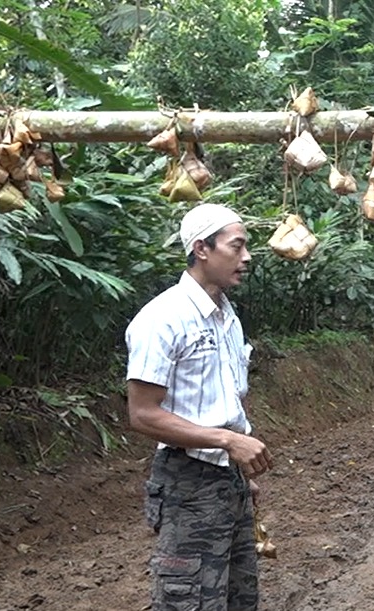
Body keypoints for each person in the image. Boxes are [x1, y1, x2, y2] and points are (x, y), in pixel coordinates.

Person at [126, 203, 270, 611]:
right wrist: (227, 441)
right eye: (237, 246)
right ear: (202, 249)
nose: (246, 257)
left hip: (229, 480)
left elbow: (225, 399)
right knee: (187, 599)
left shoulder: (227, 316)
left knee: (237, 596)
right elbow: (142, 413)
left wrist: (239, 470)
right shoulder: (163, 319)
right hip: (188, 481)